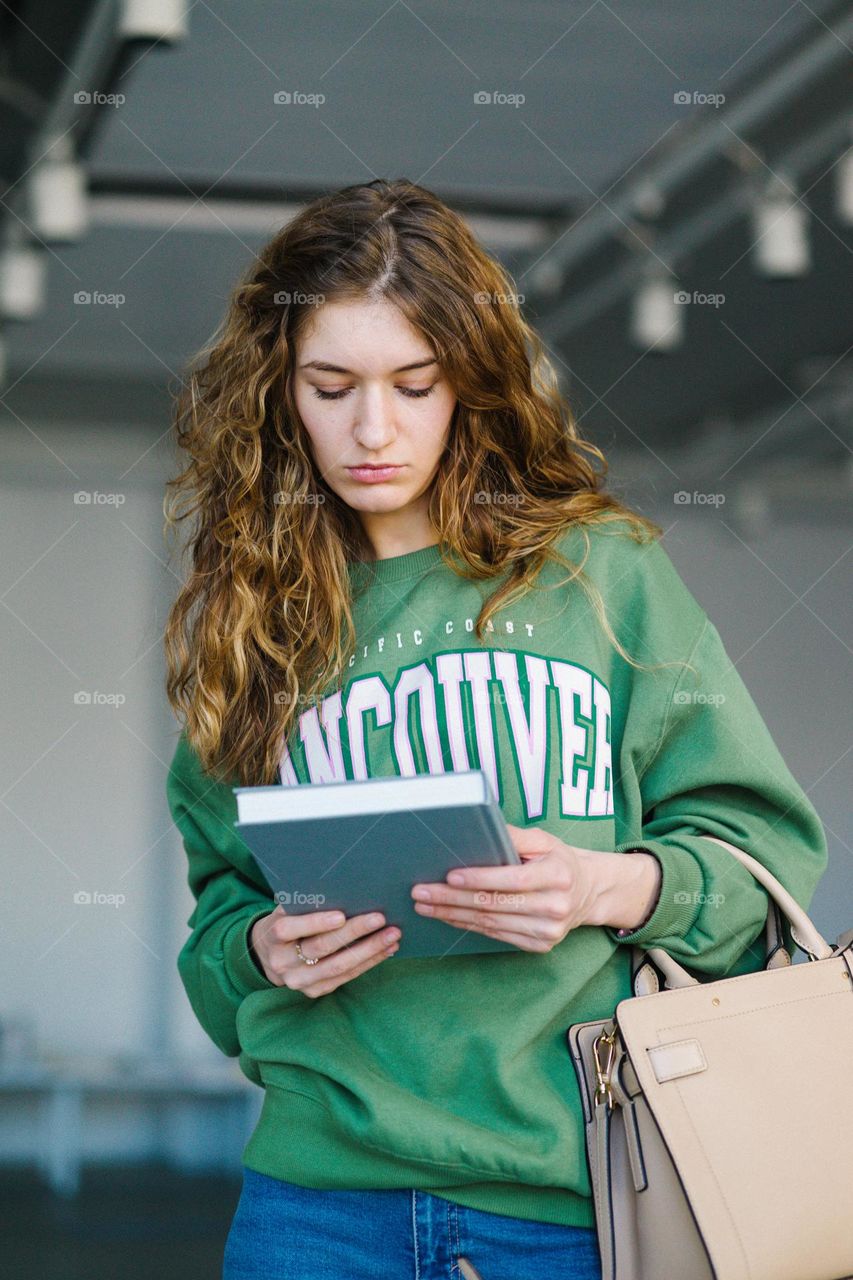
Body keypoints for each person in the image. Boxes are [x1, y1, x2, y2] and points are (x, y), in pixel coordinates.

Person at [163, 178, 828, 1280]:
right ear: (279, 394)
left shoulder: (599, 575)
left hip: (578, 1192)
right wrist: (260, 948)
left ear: (468, 384)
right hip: (316, 1203)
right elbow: (217, 930)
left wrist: (603, 886)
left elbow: (766, 860)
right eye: (330, 386)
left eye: (413, 385)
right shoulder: (252, 614)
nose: (371, 429)